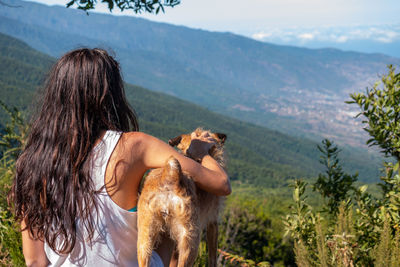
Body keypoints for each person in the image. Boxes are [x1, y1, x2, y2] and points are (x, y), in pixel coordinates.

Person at [11, 48, 231, 267]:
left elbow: (35, 261)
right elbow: (220, 183)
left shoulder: (32, 162)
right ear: (109, 95)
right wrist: (200, 153)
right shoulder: (134, 145)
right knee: (168, 207)